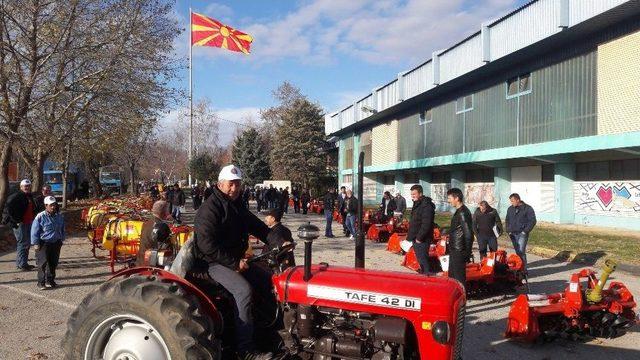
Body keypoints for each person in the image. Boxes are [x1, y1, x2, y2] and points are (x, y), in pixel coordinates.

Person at [193, 165, 272, 359]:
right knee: (243, 290)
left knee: (270, 281)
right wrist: (234, 263)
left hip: (232, 260)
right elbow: (206, 245)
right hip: (211, 264)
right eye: (231, 184)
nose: (235, 188)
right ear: (220, 184)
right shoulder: (210, 208)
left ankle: (269, 331)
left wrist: (279, 239)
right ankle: (245, 350)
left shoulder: (236, 206)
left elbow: (259, 227)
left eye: (238, 184)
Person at [31, 196, 64, 289]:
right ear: (46, 206)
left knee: (53, 263)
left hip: (56, 242)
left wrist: (61, 239)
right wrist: (35, 243)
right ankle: (41, 282)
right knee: (42, 263)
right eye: (51, 205)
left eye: (54, 205)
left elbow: (62, 228)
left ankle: (50, 280)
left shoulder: (59, 216)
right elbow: (34, 231)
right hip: (43, 243)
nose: (53, 207)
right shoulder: (40, 216)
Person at [2, 179, 36, 271]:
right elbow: (8, 208)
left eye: (28, 186)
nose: (27, 187)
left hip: (28, 222)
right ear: (21, 187)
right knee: (22, 243)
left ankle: (23, 263)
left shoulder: (28, 196)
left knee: (26, 243)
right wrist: (16, 220)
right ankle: (21, 264)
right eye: (25, 186)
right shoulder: (17, 196)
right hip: (21, 224)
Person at [405, 185, 435, 274]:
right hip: (416, 237)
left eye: (414, 194)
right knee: (420, 259)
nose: (412, 196)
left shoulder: (426, 205)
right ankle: (424, 274)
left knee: (423, 259)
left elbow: (426, 224)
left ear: (420, 194)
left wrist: (419, 238)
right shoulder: (418, 203)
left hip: (422, 239)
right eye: (411, 194)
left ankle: (427, 277)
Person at [447, 188, 473, 286]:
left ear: (456, 198)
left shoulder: (463, 213)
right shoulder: (459, 211)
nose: (448, 201)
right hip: (455, 248)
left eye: (449, 198)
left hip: (459, 249)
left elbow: (468, 234)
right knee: (452, 276)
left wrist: (467, 252)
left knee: (459, 278)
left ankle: (462, 298)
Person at [505, 193, 536, 270]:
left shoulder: (527, 208)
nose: (511, 203)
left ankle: (523, 270)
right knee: (518, 252)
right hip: (512, 234)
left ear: (518, 200)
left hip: (522, 234)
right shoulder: (510, 209)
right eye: (511, 201)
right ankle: (519, 268)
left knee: (521, 252)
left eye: (512, 201)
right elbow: (507, 220)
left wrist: (525, 231)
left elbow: (532, 221)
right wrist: (508, 230)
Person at [136, 200, 173, 265]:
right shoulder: (162, 226)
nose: (168, 212)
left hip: (141, 261)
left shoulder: (146, 223)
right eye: (167, 210)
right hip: (153, 264)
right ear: (163, 212)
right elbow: (167, 249)